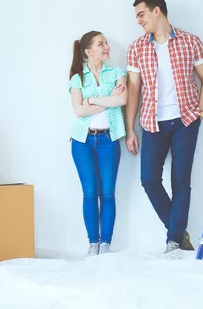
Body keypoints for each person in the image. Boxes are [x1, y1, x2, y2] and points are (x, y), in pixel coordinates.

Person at [125, 0, 203, 255]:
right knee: (149, 180)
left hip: (185, 120)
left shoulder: (191, 42)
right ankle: (177, 231)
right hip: (152, 124)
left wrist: (200, 112)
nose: (139, 21)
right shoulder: (137, 48)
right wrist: (130, 129)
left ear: (157, 11)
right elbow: (133, 90)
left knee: (180, 181)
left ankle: (173, 241)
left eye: (141, 14)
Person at [69, 30, 128, 256]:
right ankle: (93, 243)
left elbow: (122, 99)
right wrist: (108, 101)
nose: (106, 47)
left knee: (108, 193)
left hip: (108, 140)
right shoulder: (77, 78)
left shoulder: (117, 73)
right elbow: (78, 111)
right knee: (90, 192)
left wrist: (92, 99)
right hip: (82, 141)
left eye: (107, 43)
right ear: (88, 51)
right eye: (101, 44)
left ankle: (106, 244)